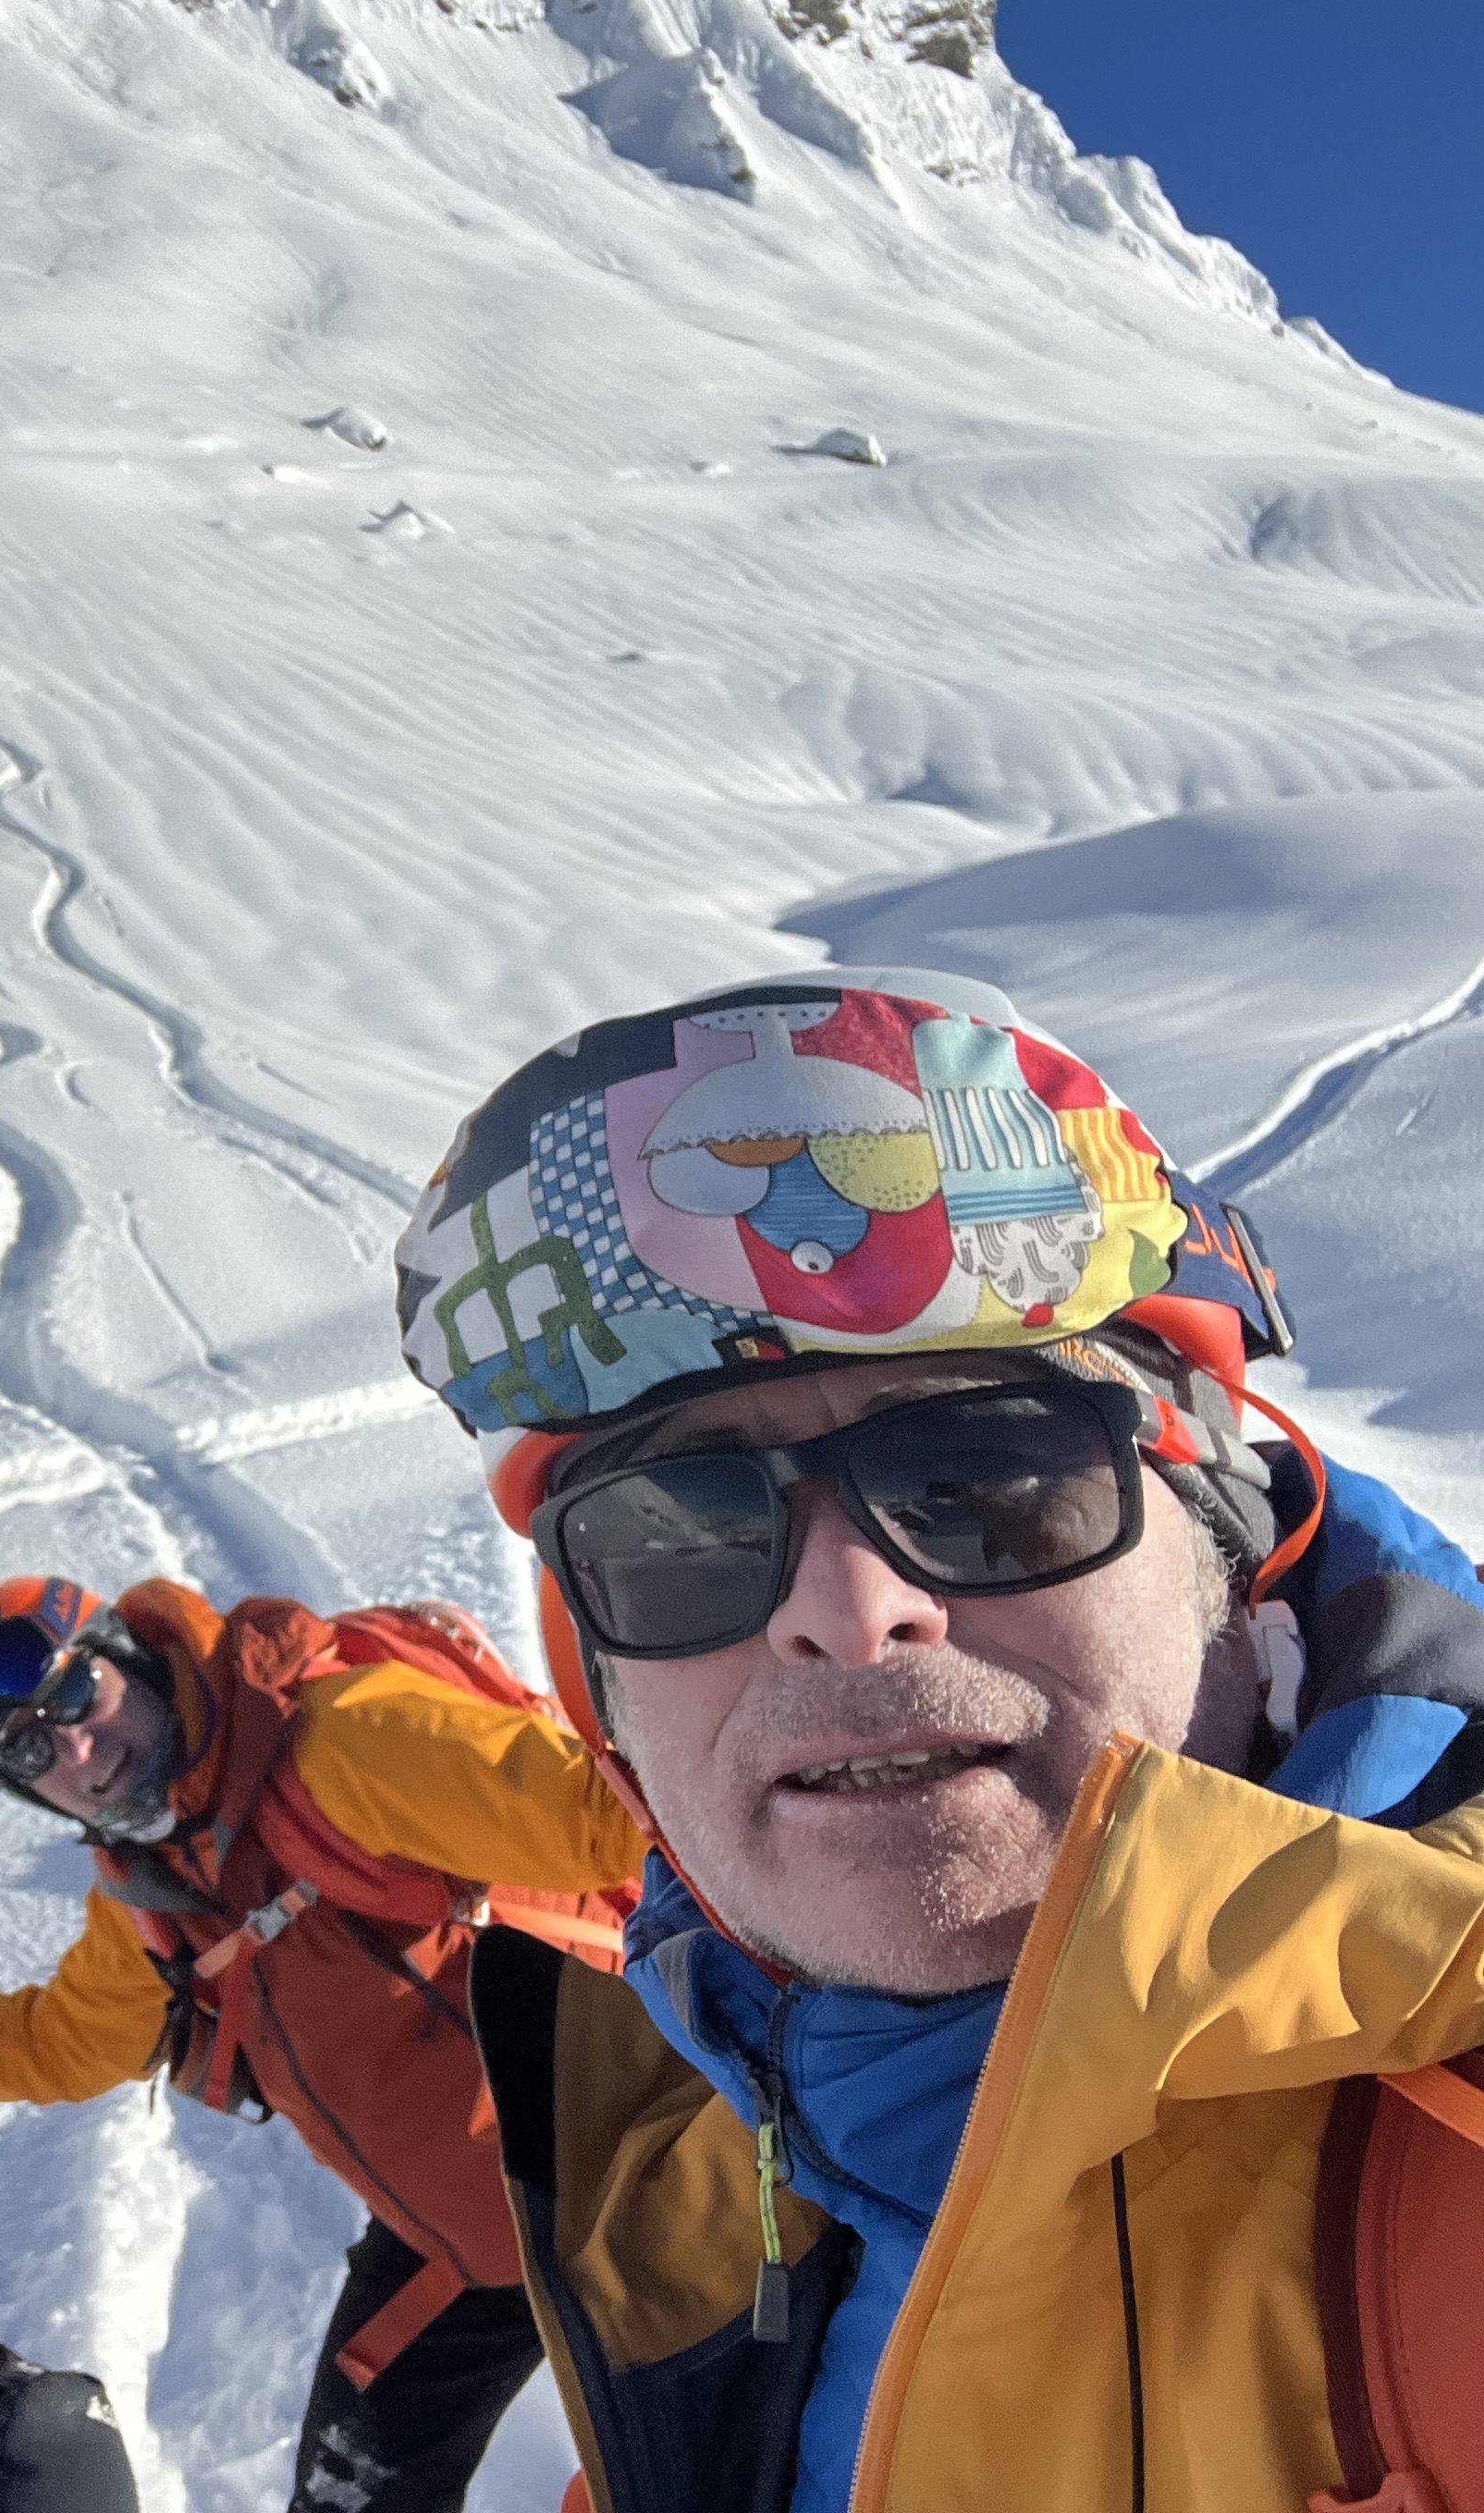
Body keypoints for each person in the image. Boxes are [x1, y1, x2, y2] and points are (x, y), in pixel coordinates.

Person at [393, 964, 1484, 2513]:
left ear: (1224, 1545)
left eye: (983, 1473)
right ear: (602, 1690)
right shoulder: (696, 2177)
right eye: (674, 1531)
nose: (845, 1609)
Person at [0, 1565, 646, 2513]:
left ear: (126, 1656)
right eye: (27, 1750)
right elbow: (72, 2041)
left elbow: (622, 1826)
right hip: (464, 2241)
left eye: (74, 1690)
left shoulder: (347, 1743)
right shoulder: (150, 1885)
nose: (73, 1743)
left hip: (635, 2185)